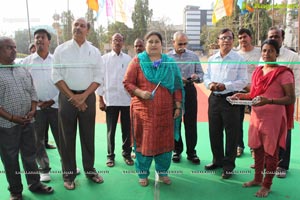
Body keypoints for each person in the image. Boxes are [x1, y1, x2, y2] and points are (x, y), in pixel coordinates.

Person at [232, 39, 295, 197]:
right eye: (264, 51)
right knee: (257, 149)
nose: (267, 54)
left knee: (271, 153)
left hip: (273, 119)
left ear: (277, 54)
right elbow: (254, 95)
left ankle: (267, 185)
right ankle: (257, 179)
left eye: (271, 51)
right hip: (256, 117)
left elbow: (290, 98)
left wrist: (270, 101)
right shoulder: (258, 72)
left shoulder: (284, 73)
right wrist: (242, 95)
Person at [123, 31, 183, 186]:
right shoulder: (137, 61)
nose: (154, 44)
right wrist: (140, 93)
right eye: (150, 41)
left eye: (157, 41)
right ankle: (143, 173)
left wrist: (177, 106)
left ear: (161, 44)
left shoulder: (169, 63)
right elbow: (127, 83)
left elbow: (177, 85)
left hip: (165, 112)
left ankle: (163, 172)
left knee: (164, 142)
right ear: (145, 44)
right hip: (144, 113)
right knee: (144, 142)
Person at [52, 17, 104, 190]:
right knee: (67, 137)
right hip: (67, 97)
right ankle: (69, 175)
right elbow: (56, 76)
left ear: (87, 30)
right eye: (76, 25)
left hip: (88, 97)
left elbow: (98, 77)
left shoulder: (95, 51)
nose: (78, 28)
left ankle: (90, 170)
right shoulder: (61, 49)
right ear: (71, 28)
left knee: (88, 135)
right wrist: (73, 98)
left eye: (82, 26)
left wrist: (83, 96)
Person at [0, 36, 54, 200]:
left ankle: (35, 184)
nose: (14, 50)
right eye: (9, 47)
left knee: (30, 155)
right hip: (7, 125)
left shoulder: (22, 69)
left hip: (28, 121)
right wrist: (12, 118)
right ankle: (16, 191)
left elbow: (32, 91)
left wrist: (32, 110)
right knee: (10, 159)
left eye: (15, 47)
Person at [203, 28, 248, 179]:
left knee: (231, 133)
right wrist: (210, 85)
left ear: (233, 41)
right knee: (214, 131)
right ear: (218, 41)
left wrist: (225, 86)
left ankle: (228, 166)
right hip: (214, 98)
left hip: (231, 99)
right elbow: (206, 76)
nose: (226, 41)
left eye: (229, 38)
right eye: (223, 38)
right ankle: (217, 160)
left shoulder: (239, 59)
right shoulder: (211, 59)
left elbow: (243, 81)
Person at [22, 29, 60, 183]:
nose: (39, 40)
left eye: (42, 37)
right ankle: (44, 169)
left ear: (48, 41)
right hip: (36, 108)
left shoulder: (56, 60)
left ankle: (68, 166)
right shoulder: (26, 62)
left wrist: (52, 100)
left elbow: (64, 82)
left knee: (62, 138)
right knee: (37, 140)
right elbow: (24, 85)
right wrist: (35, 102)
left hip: (56, 105)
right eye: (37, 37)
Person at [266, 26, 300, 178]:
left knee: (285, 132)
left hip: (286, 102)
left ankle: (282, 165)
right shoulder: (264, 55)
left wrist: (288, 99)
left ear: (282, 38)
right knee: (268, 132)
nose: (273, 39)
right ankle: (269, 161)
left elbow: (297, 82)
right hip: (267, 102)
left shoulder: (293, 57)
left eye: (276, 37)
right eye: (271, 36)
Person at [97, 33, 133, 167]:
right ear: (111, 42)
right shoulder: (104, 59)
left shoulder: (128, 59)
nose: (117, 42)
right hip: (110, 100)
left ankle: (127, 154)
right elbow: (99, 80)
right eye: (115, 40)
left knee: (126, 129)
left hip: (126, 100)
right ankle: (110, 156)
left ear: (123, 42)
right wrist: (100, 99)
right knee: (111, 130)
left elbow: (131, 80)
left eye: (120, 40)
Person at [168, 31, 203, 164]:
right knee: (175, 122)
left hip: (189, 91)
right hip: (174, 92)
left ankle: (191, 152)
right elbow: (164, 76)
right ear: (173, 42)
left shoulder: (193, 56)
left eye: (185, 43)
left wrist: (196, 77)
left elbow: (201, 74)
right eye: (180, 43)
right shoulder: (167, 58)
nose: (183, 46)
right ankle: (177, 150)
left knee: (190, 123)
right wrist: (176, 79)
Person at [236, 28, 261, 158]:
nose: (242, 40)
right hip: (240, 91)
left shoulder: (260, 53)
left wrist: (254, 87)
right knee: (237, 120)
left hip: (257, 91)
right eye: (240, 38)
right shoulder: (236, 55)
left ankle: (254, 147)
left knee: (255, 121)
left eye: (245, 37)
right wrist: (244, 86)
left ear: (250, 37)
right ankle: (239, 146)